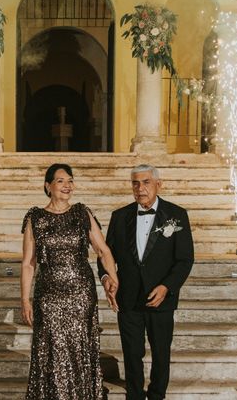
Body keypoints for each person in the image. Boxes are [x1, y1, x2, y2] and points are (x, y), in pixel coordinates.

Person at [21, 163, 119, 400]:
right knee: (51, 351)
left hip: (81, 294)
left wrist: (113, 278)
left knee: (79, 348)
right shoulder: (35, 218)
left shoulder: (81, 213)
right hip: (48, 295)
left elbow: (102, 250)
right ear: (48, 186)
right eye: (61, 181)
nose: (67, 186)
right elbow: (28, 263)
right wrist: (25, 299)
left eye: (70, 181)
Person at [96, 164, 194, 400]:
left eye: (146, 182)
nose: (140, 188)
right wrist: (107, 276)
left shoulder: (176, 215)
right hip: (128, 298)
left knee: (161, 353)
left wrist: (167, 287)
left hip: (161, 298)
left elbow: (184, 259)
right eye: (135, 183)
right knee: (131, 353)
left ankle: (157, 395)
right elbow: (105, 256)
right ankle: (135, 395)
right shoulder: (119, 217)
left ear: (158, 184)